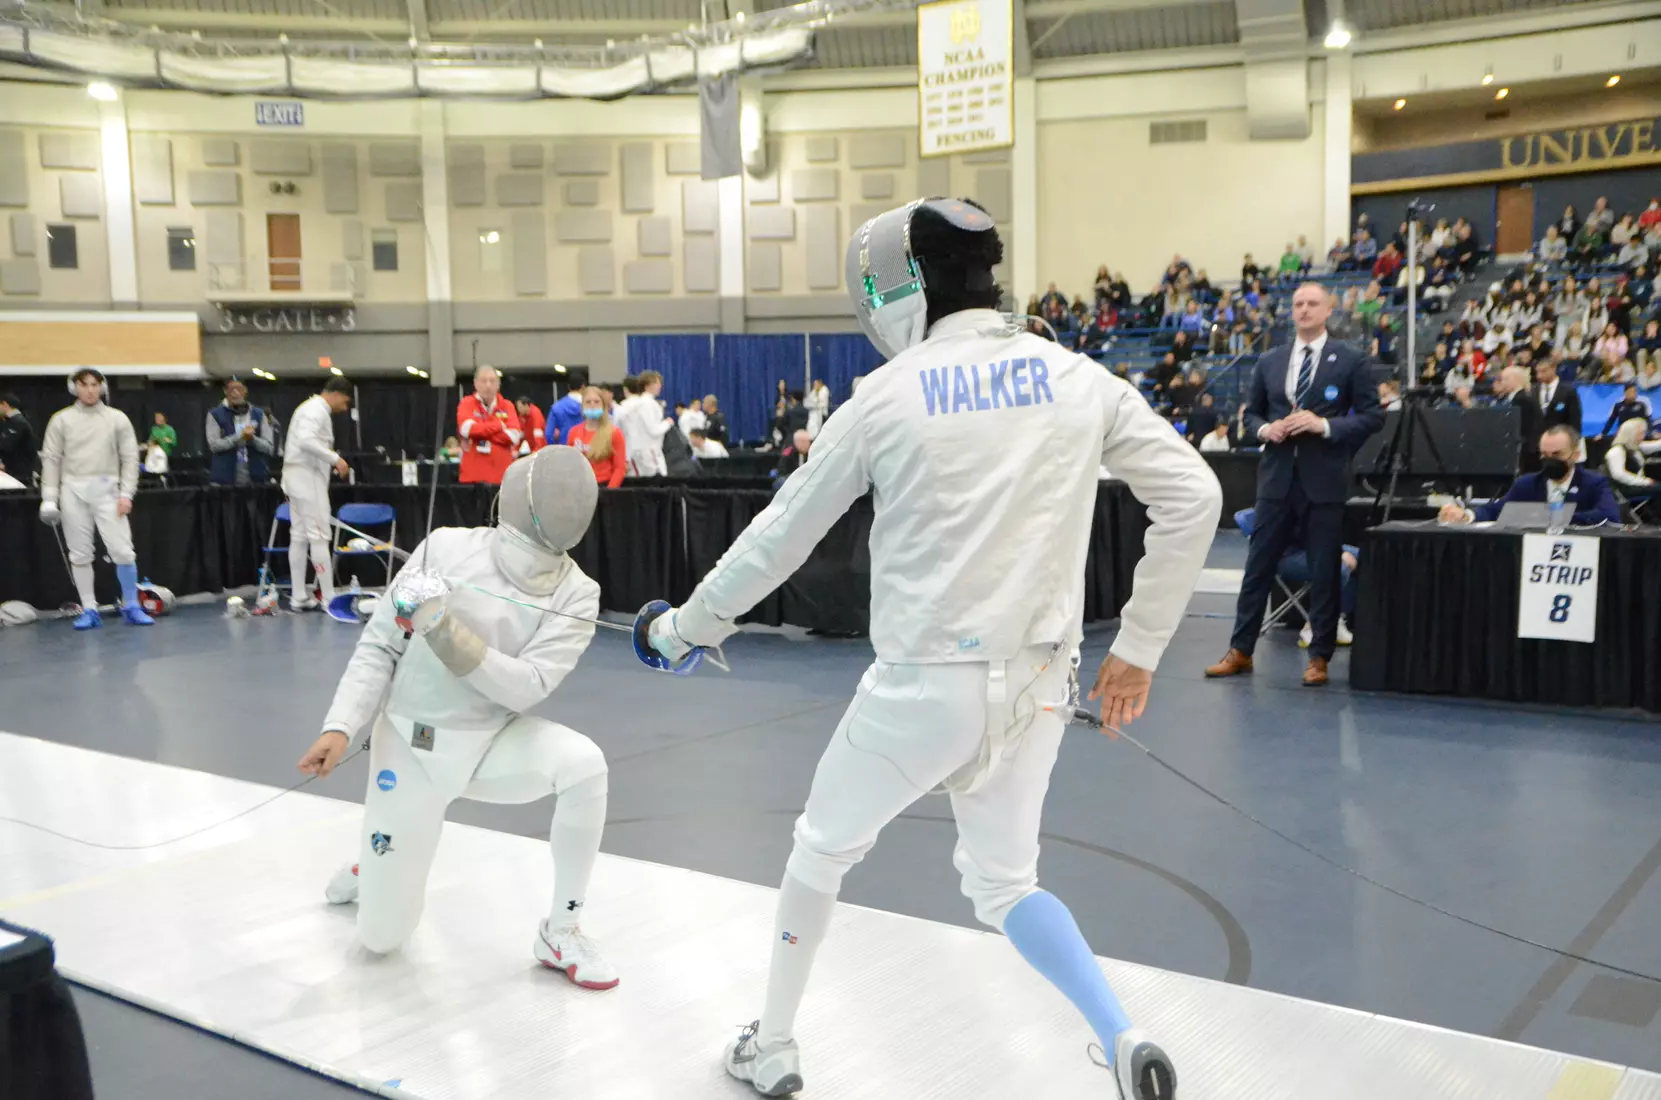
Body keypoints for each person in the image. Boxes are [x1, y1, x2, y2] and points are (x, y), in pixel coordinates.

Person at [644, 197, 1220, 1099]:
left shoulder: (885, 396)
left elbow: (778, 538)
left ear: (901, 289)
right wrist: (1139, 648)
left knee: (820, 850)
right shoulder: (1076, 377)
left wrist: (682, 629)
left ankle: (775, 1045)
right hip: (1038, 688)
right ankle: (1121, 1033)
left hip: (920, 692)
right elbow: (1194, 497)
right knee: (1004, 884)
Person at [296, 446, 618, 987]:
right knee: (381, 940)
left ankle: (561, 930)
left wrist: (444, 629)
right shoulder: (444, 547)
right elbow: (381, 645)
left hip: (493, 742)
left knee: (585, 766)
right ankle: (372, 869)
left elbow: (527, 687)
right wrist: (340, 727)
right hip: (411, 744)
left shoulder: (578, 594)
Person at [1205, 283, 1384, 687]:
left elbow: (1373, 417)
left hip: (1325, 481)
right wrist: (1267, 429)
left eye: (1312, 304)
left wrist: (1324, 426)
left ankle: (1320, 656)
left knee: (1324, 571)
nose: (1303, 310)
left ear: (1328, 310)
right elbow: (1249, 418)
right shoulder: (1270, 360)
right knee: (1257, 568)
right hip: (1276, 481)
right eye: (1298, 304)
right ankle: (1241, 650)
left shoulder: (1351, 359)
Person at [37, 368, 153, 629]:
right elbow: (52, 459)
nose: (90, 390)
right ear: (74, 387)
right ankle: (90, 609)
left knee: (122, 550)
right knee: (79, 554)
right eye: (84, 384)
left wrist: (126, 494)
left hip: (108, 490)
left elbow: (130, 459)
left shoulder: (116, 419)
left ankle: (132, 604)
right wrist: (49, 498)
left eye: (94, 385)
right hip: (72, 491)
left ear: (101, 387)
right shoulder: (61, 420)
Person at [1438, 425, 1621, 525]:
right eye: (1544, 454)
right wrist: (1466, 515)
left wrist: (1556, 517)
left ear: (1576, 455)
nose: (1549, 460)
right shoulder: (1527, 483)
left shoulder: (1594, 483)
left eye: (1557, 455)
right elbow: (1498, 510)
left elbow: (1610, 516)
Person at [282, 378, 353, 612]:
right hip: (306, 478)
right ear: (336, 394)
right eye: (345, 401)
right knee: (319, 535)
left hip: (296, 477)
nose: (345, 408)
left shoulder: (308, 409)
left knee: (300, 536)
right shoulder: (316, 410)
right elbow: (306, 441)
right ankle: (330, 597)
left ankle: (299, 596)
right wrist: (336, 459)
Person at [456, 365, 523, 485]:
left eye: (492, 381)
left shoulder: (507, 406)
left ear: (498, 384)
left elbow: (514, 436)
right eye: (483, 381)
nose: (488, 385)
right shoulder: (466, 403)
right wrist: (498, 426)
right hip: (472, 477)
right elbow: (466, 429)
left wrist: (479, 433)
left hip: (502, 477)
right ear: (475, 384)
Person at [206, 379, 276, 486]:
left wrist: (252, 439)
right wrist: (239, 436)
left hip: (256, 479)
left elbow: (269, 448)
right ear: (225, 391)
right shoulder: (214, 414)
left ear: (245, 391)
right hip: (224, 480)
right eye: (231, 389)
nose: (235, 392)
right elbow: (214, 446)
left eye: (239, 389)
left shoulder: (259, 414)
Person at [564, 385, 626, 488]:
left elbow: (619, 468)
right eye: (588, 402)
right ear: (582, 406)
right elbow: (570, 465)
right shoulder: (573, 432)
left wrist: (609, 492)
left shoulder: (614, 433)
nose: (592, 405)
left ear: (603, 406)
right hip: (580, 488)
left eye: (596, 402)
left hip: (604, 487)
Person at [1490, 366, 1543, 474]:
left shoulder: (1522, 400)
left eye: (1504, 379)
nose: (1502, 383)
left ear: (1514, 380)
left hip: (1527, 452)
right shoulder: (1516, 398)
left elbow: (1523, 428)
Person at [1603, 417, 1660, 496]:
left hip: (1638, 481)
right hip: (1625, 487)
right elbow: (1619, 475)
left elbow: (1656, 445)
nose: (1643, 436)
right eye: (1641, 433)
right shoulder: (1617, 451)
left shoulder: (1634, 447)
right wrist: (1645, 481)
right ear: (1631, 434)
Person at [1534, 357, 1582, 437]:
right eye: (1538, 372)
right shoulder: (1533, 391)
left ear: (1553, 369)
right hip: (1537, 440)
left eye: (1543, 371)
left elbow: (1575, 418)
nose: (1539, 376)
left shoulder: (1568, 391)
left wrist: (1575, 438)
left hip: (1561, 437)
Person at [0, 393, 37, 486]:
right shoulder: (9, 422)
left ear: (5, 404)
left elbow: (7, 446)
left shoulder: (18, 423)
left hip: (19, 476)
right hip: (13, 474)